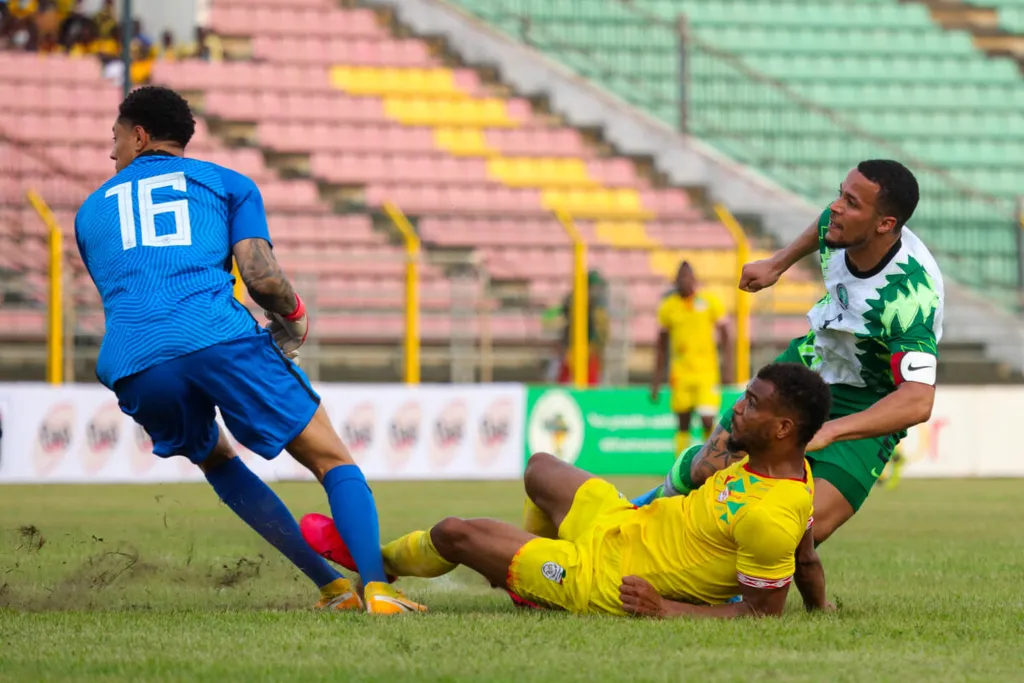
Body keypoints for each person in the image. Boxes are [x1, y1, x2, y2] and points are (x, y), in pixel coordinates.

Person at [73, 86, 425, 615]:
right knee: (330, 458)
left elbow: (126, 288)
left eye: (115, 139)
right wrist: (294, 316)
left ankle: (331, 588)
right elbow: (260, 277)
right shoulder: (225, 183)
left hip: (133, 360)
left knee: (217, 460)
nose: (112, 152)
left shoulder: (86, 213)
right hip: (215, 334)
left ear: (140, 136)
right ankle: (376, 590)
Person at [300, 363, 833, 618]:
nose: (738, 406)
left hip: (604, 579)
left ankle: (379, 564)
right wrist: (823, 608)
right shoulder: (783, 473)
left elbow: (760, 615)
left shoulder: (770, 515)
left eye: (754, 403)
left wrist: (664, 610)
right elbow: (805, 557)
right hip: (620, 524)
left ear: (784, 428)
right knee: (541, 468)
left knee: (454, 532)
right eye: (745, 395)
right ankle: (526, 588)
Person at [633, 160, 942, 547]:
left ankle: (725, 583)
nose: (836, 207)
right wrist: (776, 264)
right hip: (810, 366)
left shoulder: (910, 297)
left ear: (884, 224)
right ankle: (639, 513)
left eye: (851, 202)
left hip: (868, 397)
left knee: (799, 533)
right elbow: (821, 225)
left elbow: (918, 400)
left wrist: (829, 431)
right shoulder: (841, 226)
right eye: (839, 194)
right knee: (707, 466)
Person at [651, 261, 733, 457]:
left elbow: (726, 336)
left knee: (707, 420)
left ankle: (709, 460)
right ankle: (680, 464)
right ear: (675, 280)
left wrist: (728, 367)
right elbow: (661, 346)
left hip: (706, 372)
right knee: (683, 422)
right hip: (680, 372)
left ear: (695, 280)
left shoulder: (709, 302)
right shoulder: (668, 307)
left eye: (687, 277)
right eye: (681, 277)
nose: (684, 281)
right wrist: (656, 380)